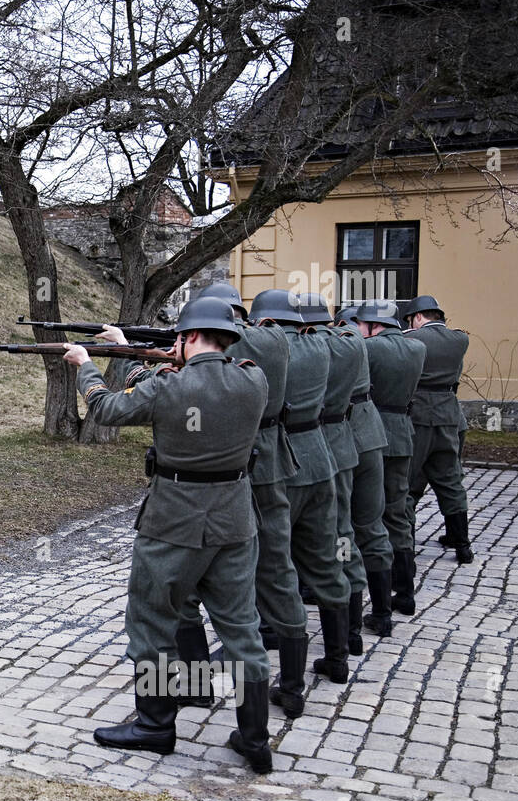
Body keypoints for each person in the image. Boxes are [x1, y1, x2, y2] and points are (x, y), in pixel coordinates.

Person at [66, 295, 273, 774]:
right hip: (234, 520)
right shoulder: (254, 380)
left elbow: (108, 410)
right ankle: (256, 738)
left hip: (174, 522)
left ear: (190, 336)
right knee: (241, 628)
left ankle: (155, 727)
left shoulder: (168, 386)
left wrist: (87, 366)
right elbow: (179, 386)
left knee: (152, 621)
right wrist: (130, 349)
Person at [174, 283, 303, 716]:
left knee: (194, 582)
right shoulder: (271, 341)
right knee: (275, 569)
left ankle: (197, 684)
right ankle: (291, 683)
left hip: (237, 474)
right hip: (269, 464)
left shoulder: (252, 342)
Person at [249, 290, 352, 689]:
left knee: (271, 562)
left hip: (280, 463)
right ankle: (338, 657)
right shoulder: (323, 345)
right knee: (325, 560)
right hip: (320, 458)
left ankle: (271, 647)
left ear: (267, 322)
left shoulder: (269, 346)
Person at [358, 300, 426, 621]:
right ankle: (406, 593)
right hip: (403, 433)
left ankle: (379, 603)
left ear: (373, 325)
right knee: (397, 513)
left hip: (373, 435)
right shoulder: (417, 349)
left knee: (370, 517)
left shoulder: (370, 349)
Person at [335, 302, 396, 643]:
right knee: (372, 526)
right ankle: (383, 615)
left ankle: (351, 628)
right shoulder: (362, 345)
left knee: (343, 531)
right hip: (371, 433)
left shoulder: (334, 343)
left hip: (343, 436)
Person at [403, 295, 474, 564]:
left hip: (418, 414)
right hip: (448, 414)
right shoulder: (459, 340)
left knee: (407, 483)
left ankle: (405, 546)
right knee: (451, 480)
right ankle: (463, 545)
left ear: (418, 317)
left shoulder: (411, 339)